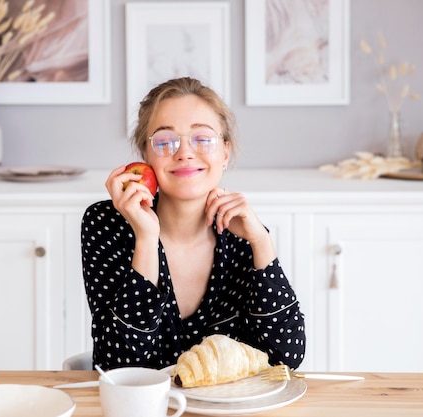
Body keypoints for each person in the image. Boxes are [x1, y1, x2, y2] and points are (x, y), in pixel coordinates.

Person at [81, 77, 305, 370]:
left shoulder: (243, 234)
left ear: (224, 153)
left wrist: (262, 242)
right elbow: (120, 366)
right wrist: (146, 239)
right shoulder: (107, 224)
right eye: (165, 141)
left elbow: (285, 359)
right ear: (145, 156)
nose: (184, 152)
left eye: (202, 138)